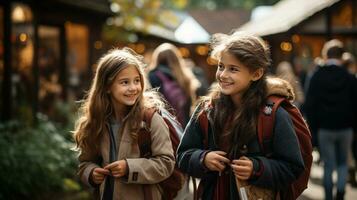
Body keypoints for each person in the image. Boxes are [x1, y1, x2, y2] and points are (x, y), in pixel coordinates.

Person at [176, 32, 305, 200]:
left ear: (256, 74)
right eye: (221, 66)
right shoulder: (206, 109)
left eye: (233, 69)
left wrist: (257, 168)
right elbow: (182, 156)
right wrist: (202, 158)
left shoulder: (274, 114)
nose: (222, 75)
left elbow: (293, 167)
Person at [73, 48, 175, 199]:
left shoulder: (150, 119)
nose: (133, 88)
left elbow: (166, 163)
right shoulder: (96, 121)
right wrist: (91, 173)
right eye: (124, 82)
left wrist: (129, 167)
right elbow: (85, 163)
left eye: (137, 80)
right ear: (107, 86)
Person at [304, 39, 357, 200]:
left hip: (324, 129)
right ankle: (340, 194)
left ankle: (328, 197)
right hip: (345, 128)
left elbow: (309, 105)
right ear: (342, 57)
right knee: (342, 163)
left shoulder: (316, 77)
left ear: (325, 55)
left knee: (328, 165)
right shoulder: (349, 77)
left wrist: (313, 128)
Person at [147, 43, 201, 126]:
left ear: (157, 58)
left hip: (164, 124)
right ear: (176, 58)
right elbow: (189, 105)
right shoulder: (185, 76)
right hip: (184, 124)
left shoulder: (153, 75)